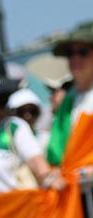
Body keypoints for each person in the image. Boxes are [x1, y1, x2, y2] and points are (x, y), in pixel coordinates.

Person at [46, 23, 93, 166]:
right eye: (70, 54)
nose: (75, 59)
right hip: (75, 182)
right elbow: (57, 151)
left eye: (82, 52)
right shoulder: (67, 101)